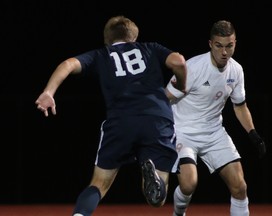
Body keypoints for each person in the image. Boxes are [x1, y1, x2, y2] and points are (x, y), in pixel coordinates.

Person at [35, 15, 187, 216]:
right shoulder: (150, 48)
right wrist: (182, 85)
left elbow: (68, 64)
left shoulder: (101, 55)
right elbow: (179, 61)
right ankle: (154, 179)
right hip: (156, 119)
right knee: (157, 200)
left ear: (107, 38)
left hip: (121, 121)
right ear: (134, 36)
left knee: (98, 184)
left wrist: (49, 92)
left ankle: (80, 214)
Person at [165, 20, 266, 216]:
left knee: (240, 187)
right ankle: (178, 214)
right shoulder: (192, 68)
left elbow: (240, 106)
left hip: (214, 133)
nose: (224, 52)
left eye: (229, 46)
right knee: (189, 184)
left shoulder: (236, 71)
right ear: (210, 44)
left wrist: (253, 133)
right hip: (183, 132)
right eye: (219, 46)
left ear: (235, 42)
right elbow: (164, 98)